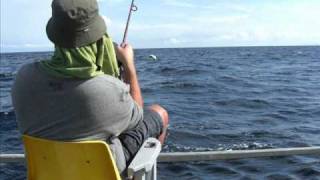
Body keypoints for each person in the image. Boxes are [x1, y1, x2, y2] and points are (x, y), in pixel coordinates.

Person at [11, 0, 169, 175]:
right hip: (104, 173)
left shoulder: (23, 78)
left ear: (55, 36)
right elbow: (137, 117)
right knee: (159, 113)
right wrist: (129, 66)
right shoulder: (107, 90)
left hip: (50, 173)